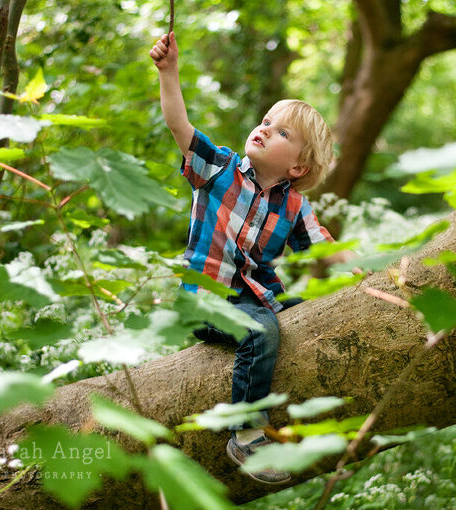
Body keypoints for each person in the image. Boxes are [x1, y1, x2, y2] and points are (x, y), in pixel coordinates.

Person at [150, 32, 348, 484]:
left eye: (282, 132)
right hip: (205, 300)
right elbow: (180, 126)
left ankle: (311, 419)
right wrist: (169, 72)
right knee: (261, 330)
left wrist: (367, 276)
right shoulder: (216, 169)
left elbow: (325, 247)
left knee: (306, 315)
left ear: (297, 168)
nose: (264, 128)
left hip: (257, 300)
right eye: (265, 120)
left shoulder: (293, 205)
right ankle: (245, 432)